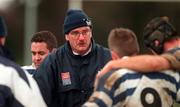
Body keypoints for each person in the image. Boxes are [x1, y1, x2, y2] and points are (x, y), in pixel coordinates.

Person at [82, 16, 180, 107]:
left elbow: (156, 63)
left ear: (156, 43)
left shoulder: (114, 77)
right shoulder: (171, 76)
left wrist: (112, 65)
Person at [33, 9, 112, 107]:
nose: (81, 38)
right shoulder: (53, 62)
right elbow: (36, 99)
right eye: (75, 33)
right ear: (67, 36)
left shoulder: (108, 58)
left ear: (91, 32)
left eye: (85, 32)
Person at [97, 16, 180, 78]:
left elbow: (154, 64)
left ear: (156, 43)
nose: (155, 56)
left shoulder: (175, 54)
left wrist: (112, 65)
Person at [0, 18, 46, 107]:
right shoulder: (14, 73)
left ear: (53, 53)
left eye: (41, 53)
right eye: (34, 53)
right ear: (2, 38)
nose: (37, 58)